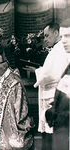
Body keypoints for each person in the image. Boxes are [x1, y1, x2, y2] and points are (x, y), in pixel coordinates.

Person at [27, 22, 69, 150]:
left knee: (54, 136)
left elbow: (54, 74)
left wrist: (37, 71)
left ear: (56, 33)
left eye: (47, 35)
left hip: (56, 96)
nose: (45, 39)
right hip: (53, 95)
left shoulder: (61, 49)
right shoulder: (57, 49)